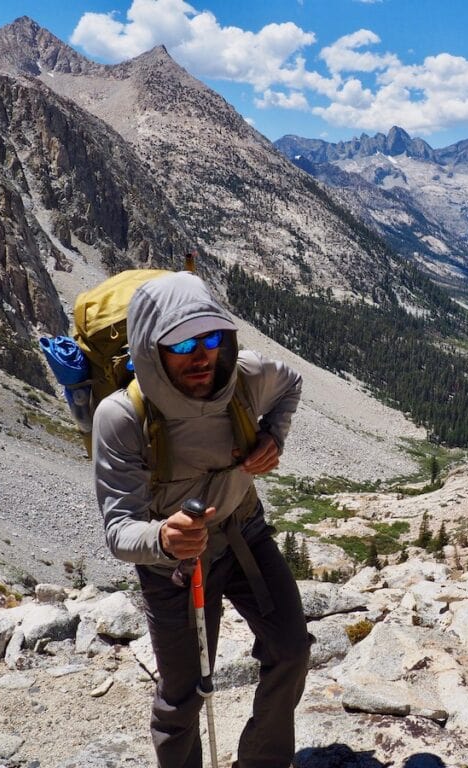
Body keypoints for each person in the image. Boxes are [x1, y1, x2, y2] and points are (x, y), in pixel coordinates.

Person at [92, 271, 311, 768]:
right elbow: (119, 528)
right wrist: (164, 538)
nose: (202, 355)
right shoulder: (122, 417)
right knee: (184, 694)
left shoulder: (246, 378)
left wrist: (273, 436)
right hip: (174, 564)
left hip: (244, 531)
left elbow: (292, 383)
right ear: (151, 349)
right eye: (182, 342)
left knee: (292, 649)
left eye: (211, 338)